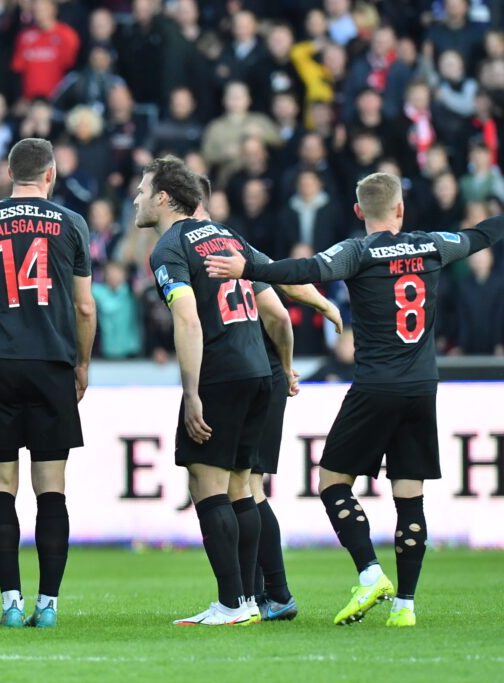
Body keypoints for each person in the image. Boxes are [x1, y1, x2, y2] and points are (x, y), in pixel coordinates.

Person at [204, 172, 504, 627]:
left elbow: (304, 270)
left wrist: (248, 268)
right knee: (410, 495)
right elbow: (481, 235)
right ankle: (405, 605)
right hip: (423, 386)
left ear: (359, 211)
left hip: (375, 386)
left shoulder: (357, 252)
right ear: (400, 209)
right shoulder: (432, 245)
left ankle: (369, 572)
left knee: (331, 481)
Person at [0, 138, 96, 628]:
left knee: (1, 485)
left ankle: (11, 603)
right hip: (52, 361)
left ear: (8, 174)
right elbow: (84, 306)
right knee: (51, 488)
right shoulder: (72, 224)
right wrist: (82, 364)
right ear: (50, 175)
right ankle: (48, 605)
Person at [194, 174, 343, 622]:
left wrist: (284, 364)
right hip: (265, 373)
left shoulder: (188, 248)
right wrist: (292, 355)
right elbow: (282, 302)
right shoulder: (234, 242)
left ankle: (268, 594)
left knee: (247, 487)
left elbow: (278, 312)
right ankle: (265, 595)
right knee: (250, 486)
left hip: (243, 372)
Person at [136, 155, 270, 626]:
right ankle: (251, 600)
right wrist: (284, 363)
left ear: (164, 198)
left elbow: (188, 318)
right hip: (257, 367)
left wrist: (191, 392)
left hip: (220, 371)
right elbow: (273, 303)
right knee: (240, 486)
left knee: (205, 482)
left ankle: (232, 603)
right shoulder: (229, 236)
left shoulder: (169, 248)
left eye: (143, 189)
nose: (136, 197)